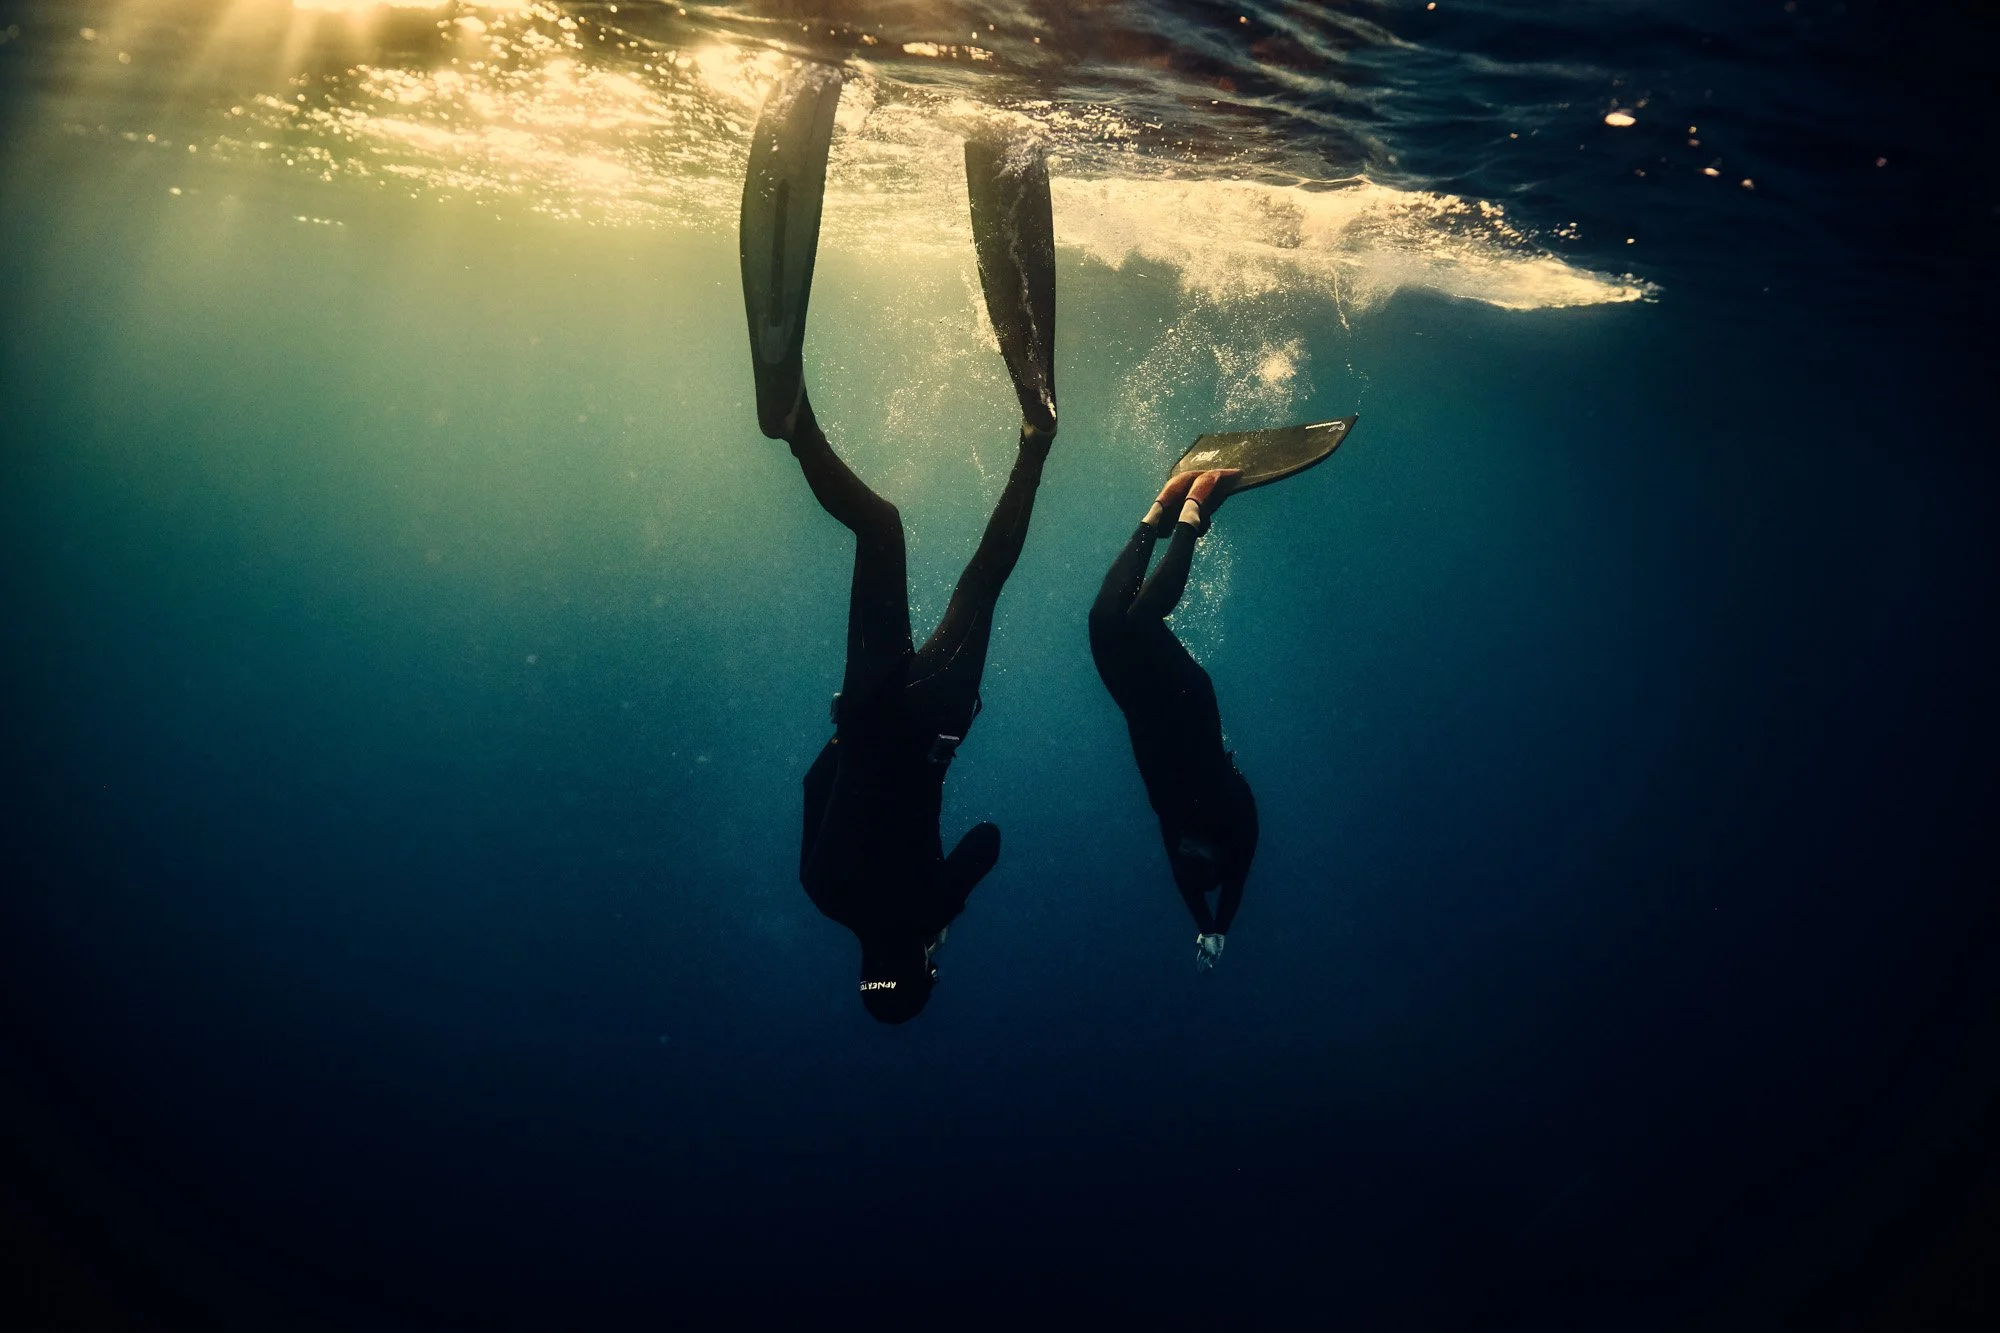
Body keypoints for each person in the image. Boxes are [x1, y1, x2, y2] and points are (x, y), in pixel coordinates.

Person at [740, 66, 1058, 1022]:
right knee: (877, 530)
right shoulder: (822, 896)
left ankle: (1036, 443)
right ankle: (796, 424)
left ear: (920, 965)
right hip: (870, 710)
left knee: (986, 580)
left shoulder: (924, 912)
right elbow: (813, 778)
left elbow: (991, 839)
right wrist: (858, 734)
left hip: (929, 731)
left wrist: (941, 916)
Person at [1088, 468, 1259, 973]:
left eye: (1181, 854)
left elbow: (1189, 885)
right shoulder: (1239, 832)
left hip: (1138, 707)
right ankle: (1194, 510)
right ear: (1216, 853)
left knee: (1101, 622)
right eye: (1195, 852)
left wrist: (1204, 929)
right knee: (1140, 622)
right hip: (1187, 705)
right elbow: (1237, 884)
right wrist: (1221, 927)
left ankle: (1158, 511)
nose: (1180, 845)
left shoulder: (1180, 847)